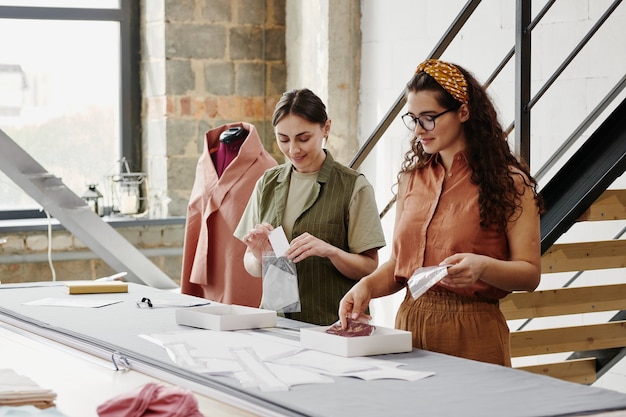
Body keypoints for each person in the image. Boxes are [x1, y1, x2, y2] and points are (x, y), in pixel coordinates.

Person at [338, 59, 544, 366]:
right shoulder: (412, 178)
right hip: (411, 323)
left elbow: (530, 273)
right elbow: (399, 266)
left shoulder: (509, 183)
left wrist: (483, 267)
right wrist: (366, 286)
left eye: (429, 118)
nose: (419, 130)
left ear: (463, 111)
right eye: (413, 119)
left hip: (474, 331)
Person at [234, 88, 386, 326]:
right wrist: (259, 255)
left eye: (303, 138)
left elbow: (369, 267)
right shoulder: (267, 183)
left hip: (332, 325)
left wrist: (330, 251)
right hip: (274, 324)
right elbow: (251, 267)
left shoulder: (354, 186)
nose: (293, 150)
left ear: (326, 128)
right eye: (283, 139)